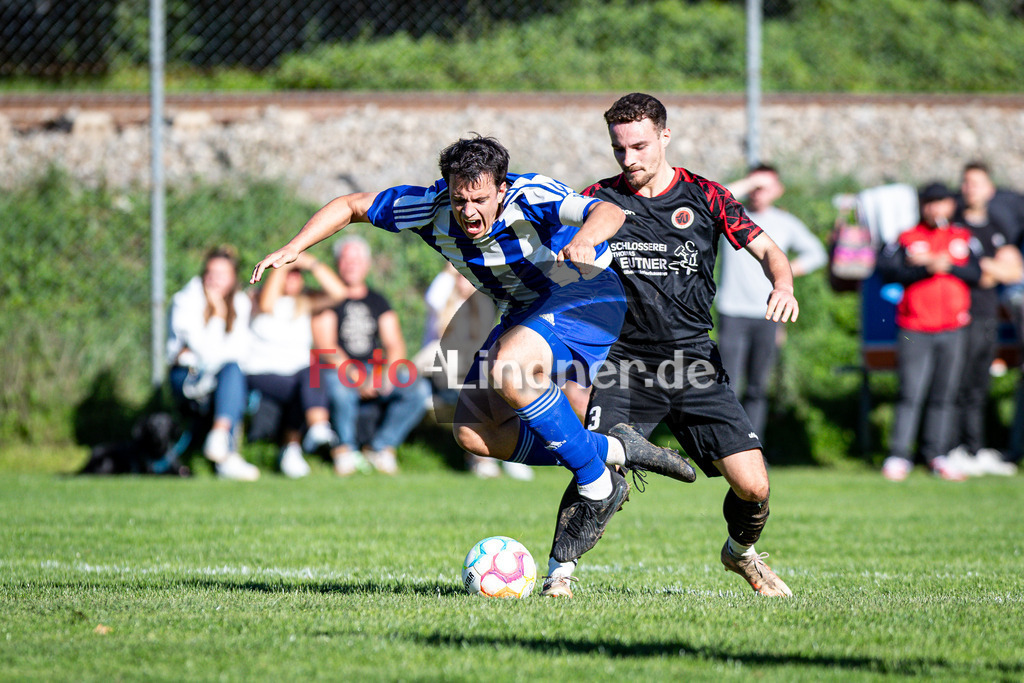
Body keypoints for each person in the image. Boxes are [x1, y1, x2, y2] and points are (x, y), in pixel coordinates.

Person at [252, 135, 694, 563]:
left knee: (509, 367)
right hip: (524, 309)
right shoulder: (431, 206)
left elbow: (607, 211)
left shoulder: (531, 195)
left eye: (480, 199)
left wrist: (584, 239)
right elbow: (351, 206)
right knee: (475, 432)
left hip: (585, 293)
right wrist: (295, 247)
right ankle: (615, 450)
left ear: (501, 189)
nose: (468, 211)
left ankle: (598, 485)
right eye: (459, 199)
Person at [542, 93, 800, 598]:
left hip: (694, 360)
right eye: (619, 149)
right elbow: (556, 254)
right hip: (624, 362)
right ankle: (558, 573)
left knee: (754, 487)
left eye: (639, 146)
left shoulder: (705, 196)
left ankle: (740, 553)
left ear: (664, 136)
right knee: (598, 464)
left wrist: (784, 285)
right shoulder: (599, 199)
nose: (629, 159)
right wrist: (569, 262)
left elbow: (768, 249)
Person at [877, 182, 982, 482]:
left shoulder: (962, 237)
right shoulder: (906, 237)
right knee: (910, 392)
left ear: (951, 205)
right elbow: (887, 271)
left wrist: (947, 265)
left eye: (942, 202)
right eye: (930, 202)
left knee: (945, 394)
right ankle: (899, 455)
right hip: (915, 327)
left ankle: (937, 454)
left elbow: (977, 273)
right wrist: (925, 268)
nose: (936, 208)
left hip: (954, 327)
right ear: (922, 206)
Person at [718, 164, 828, 441]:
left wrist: (786, 273)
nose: (758, 192)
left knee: (758, 386)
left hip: (768, 312)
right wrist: (749, 182)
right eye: (753, 186)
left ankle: (754, 445)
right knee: (727, 384)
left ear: (778, 190)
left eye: (764, 187)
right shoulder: (732, 217)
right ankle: (726, 445)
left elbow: (817, 253)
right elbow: (712, 198)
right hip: (732, 311)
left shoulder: (784, 222)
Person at [309, 236, 431, 476]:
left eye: (357, 259)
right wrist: (355, 376)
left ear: (367, 265)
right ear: (337, 263)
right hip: (338, 369)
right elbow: (326, 346)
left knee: (419, 390)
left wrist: (385, 374)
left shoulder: (378, 301)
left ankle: (381, 448)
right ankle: (345, 451)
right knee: (339, 390)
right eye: (346, 259)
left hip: (375, 369)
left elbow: (395, 344)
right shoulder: (327, 300)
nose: (351, 265)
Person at [417, 263, 533, 480]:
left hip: (467, 374)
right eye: (460, 277)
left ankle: (509, 455)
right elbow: (435, 295)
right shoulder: (442, 304)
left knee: (505, 387)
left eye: (469, 277)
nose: (465, 282)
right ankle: (484, 459)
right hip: (441, 376)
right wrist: (451, 267)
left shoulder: (481, 306)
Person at [946, 162, 1022, 476]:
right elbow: (971, 270)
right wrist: (988, 268)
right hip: (958, 315)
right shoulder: (954, 226)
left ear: (990, 190)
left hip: (986, 315)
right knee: (957, 384)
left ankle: (974, 448)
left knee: (978, 386)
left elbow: (1013, 272)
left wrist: (986, 267)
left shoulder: (997, 228)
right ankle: (951, 449)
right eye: (966, 182)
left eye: (976, 183)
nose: (970, 188)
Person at [243, 252, 346, 478]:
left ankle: (314, 431)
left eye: (297, 273)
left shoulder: (305, 303)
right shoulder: (257, 299)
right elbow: (267, 303)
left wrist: (312, 263)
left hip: (298, 374)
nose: (293, 277)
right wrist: (286, 261)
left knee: (313, 371)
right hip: (261, 372)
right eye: (288, 273)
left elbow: (339, 293)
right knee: (303, 385)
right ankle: (296, 444)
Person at [167, 245, 259, 481]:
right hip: (187, 376)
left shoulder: (240, 303)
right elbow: (207, 355)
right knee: (232, 376)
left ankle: (220, 440)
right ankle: (226, 454)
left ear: (233, 278)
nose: (215, 280)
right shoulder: (185, 301)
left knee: (232, 372)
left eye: (222, 274)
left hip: (222, 375)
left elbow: (242, 352)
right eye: (211, 273)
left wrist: (221, 351)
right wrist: (218, 314)